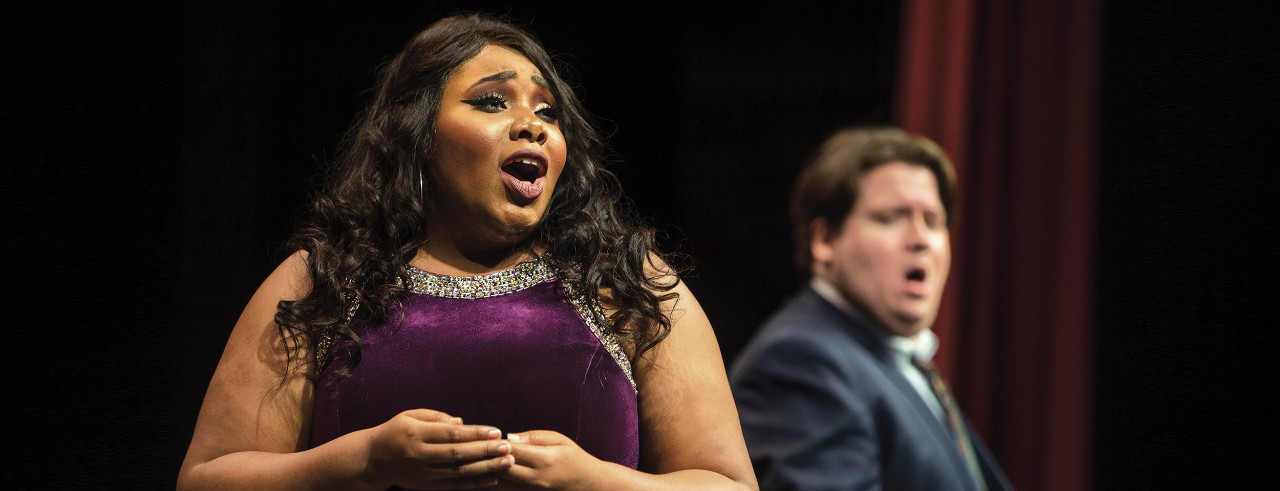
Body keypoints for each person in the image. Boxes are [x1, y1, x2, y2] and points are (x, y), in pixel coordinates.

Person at [178, 13, 756, 491]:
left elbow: (728, 484)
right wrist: (363, 461)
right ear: (418, 134)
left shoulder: (625, 284)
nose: (532, 125)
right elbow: (207, 478)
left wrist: (595, 481)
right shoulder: (323, 281)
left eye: (547, 112)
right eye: (491, 102)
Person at [729, 127, 1011, 490]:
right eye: (891, 217)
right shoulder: (800, 363)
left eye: (933, 221)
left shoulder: (894, 359)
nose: (921, 239)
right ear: (825, 240)